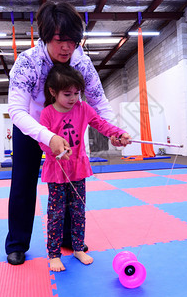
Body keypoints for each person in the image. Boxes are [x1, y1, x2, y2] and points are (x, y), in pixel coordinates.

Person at [5, 1, 128, 265]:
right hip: (31, 127)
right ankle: (16, 244)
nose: (66, 47)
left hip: (66, 127)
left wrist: (113, 131)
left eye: (72, 41)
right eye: (60, 40)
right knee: (23, 183)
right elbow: (16, 110)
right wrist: (47, 136)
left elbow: (98, 100)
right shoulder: (27, 62)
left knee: (70, 182)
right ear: (46, 36)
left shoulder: (81, 63)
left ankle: (69, 238)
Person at [40, 64, 130, 271]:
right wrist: (57, 151)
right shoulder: (47, 113)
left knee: (78, 211)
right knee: (56, 213)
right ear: (53, 92)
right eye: (67, 94)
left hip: (78, 169)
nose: (73, 98)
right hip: (57, 171)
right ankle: (53, 254)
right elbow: (42, 141)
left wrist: (118, 133)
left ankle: (78, 247)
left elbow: (101, 124)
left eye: (77, 93)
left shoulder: (83, 108)